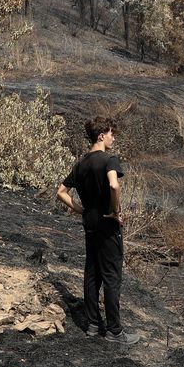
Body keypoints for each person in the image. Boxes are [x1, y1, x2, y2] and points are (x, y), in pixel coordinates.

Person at [55, 116, 140, 345]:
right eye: (112, 134)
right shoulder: (109, 160)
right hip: (107, 224)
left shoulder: (81, 163)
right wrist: (115, 210)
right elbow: (114, 184)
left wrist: (81, 209)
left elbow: (61, 192)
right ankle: (114, 331)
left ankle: (93, 325)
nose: (114, 138)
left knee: (92, 275)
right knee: (112, 276)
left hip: (89, 223)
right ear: (101, 136)